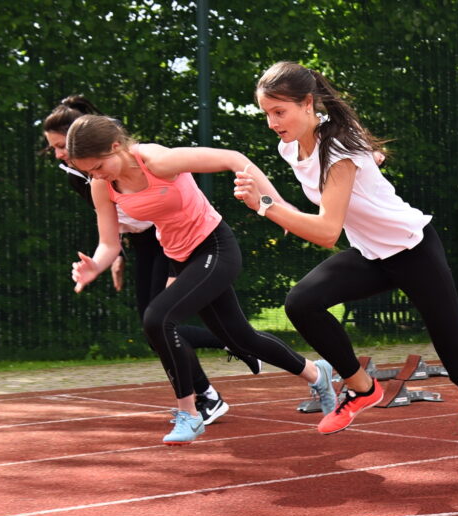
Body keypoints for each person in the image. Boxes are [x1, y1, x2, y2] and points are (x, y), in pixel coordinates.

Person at [232, 61, 458, 481]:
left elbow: (328, 231)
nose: (273, 123)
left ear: (308, 104)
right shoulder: (293, 147)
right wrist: (369, 159)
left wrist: (265, 206)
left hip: (414, 252)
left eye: (280, 112)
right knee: (302, 302)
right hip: (372, 255)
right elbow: (354, 175)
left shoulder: (339, 152)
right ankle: (363, 387)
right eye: (267, 114)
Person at [64, 114, 335, 444]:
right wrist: (96, 265)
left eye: (98, 167)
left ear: (115, 146)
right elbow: (109, 243)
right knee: (240, 338)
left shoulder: (160, 161)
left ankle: (190, 415)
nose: (95, 176)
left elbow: (234, 159)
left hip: (215, 246)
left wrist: (276, 206)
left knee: (158, 319)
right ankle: (314, 372)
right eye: (89, 172)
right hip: (179, 257)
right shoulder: (101, 186)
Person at [43, 96, 262, 426]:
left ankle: (208, 391)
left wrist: (273, 203)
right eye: (56, 149)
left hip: (168, 239)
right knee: (155, 326)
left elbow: (153, 203)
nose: (59, 154)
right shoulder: (84, 174)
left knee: (159, 320)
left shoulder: (137, 160)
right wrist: (111, 256)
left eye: (61, 146)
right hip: (143, 244)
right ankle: (233, 350)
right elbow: (111, 226)